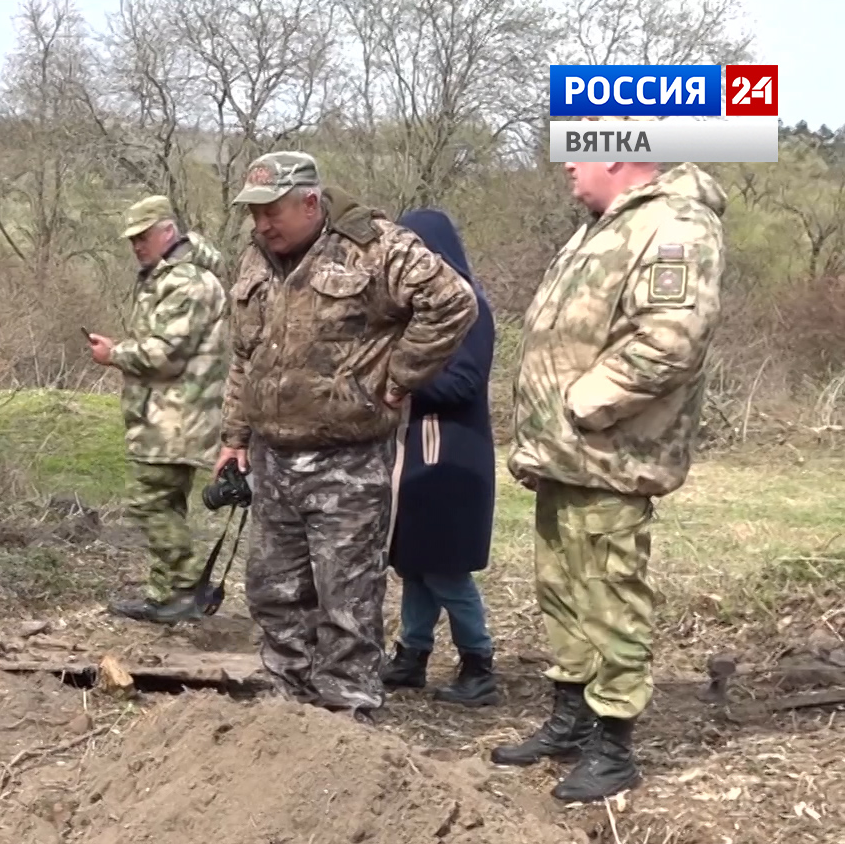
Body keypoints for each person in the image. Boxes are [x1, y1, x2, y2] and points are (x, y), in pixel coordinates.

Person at [493, 152, 727, 802]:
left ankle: (614, 743)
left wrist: (582, 404)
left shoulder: (677, 223)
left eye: (578, 145)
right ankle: (570, 718)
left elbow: (670, 342)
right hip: (567, 455)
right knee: (564, 592)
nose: (567, 163)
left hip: (610, 454)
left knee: (609, 595)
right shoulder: (602, 226)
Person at [216, 151, 478, 721]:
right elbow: (244, 356)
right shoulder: (256, 258)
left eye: (272, 211)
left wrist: (400, 376)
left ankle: (345, 712)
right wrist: (234, 436)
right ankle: (286, 707)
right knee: (273, 591)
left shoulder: (375, 246)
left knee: (346, 596)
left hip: (347, 459)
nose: (261, 224)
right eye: (254, 213)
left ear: (310, 202)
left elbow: (453, 302)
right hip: (273, 457)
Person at [85, 195, 232, 625]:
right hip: (166, 413)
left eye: (143, 236)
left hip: (176, 417)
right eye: (132, 239)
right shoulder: (169, 276)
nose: (136, 245)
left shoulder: (187, 281)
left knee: (147, 501)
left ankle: (187, 586)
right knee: (167, 504)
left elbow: (166, 354)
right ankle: (163, 595)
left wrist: (115, 354)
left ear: (168, 231)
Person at [381, 208, 500, 707]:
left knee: (445, 568)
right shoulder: (419, 310)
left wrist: (399, 379)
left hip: (450, 456)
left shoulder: (468, 308)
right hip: (418, 454)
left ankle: (478, 662)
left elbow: (463, 383)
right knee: (416, 562)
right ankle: (412, 654)